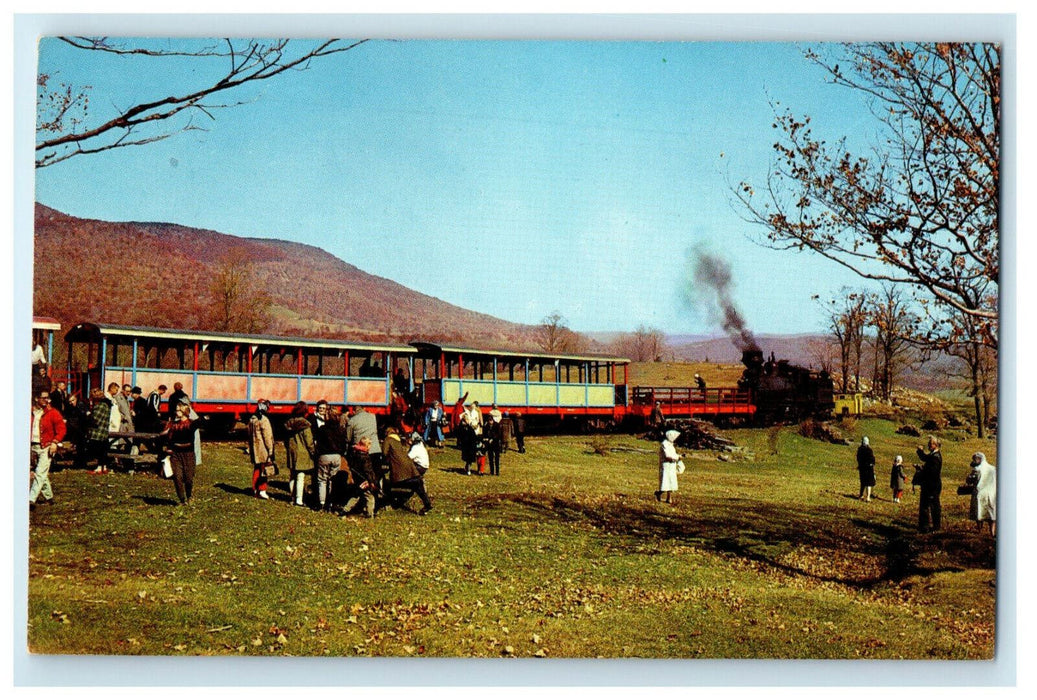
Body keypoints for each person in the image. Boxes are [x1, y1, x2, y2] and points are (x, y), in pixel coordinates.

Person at [160, 400, 204, 505]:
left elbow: (202, 421)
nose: (176, 412)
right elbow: (166, 436)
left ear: (184, 411)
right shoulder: (173, 424)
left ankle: (189, 496)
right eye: (176, 410)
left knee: (188, 478)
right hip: (176, 454)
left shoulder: (191, 424)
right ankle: (182, 500)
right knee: (177, 477)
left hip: (188, 454)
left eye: (178, 410)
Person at [382, 427, 433, 515]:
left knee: (389, 484)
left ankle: (390, 502)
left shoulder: (388, 439)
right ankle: (427, 503)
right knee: (417, 484)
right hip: (411, 467)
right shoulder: (398, 441)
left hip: (399, 469)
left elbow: (384, 453)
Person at [30, 390, 65, 509]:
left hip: (47, 446)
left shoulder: (53, 412)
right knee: (41, 473)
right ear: (36, 399)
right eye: (43, 398)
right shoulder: (30, 411)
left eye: (47, 398)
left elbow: (61, 429)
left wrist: (55, 442)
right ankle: (49, 497)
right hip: (32, 445)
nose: (46, 400)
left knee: (39, 473)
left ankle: (30, 499)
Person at [314, 403, 350, 511]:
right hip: (336, 456)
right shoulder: (341, 429)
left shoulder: (322, 429)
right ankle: (331, 502)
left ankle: (322, 503)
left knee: (322, 480)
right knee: (333, 480)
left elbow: (317, 443)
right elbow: (344, 444)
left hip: (324, 455)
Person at [283, 402, 316, 508]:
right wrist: (313, 452)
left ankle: (292, 497)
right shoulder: (306, 425)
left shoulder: (289, 423)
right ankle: (299, 500)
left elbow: (285, 440)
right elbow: (309, 442)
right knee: (300, 476)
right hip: (303, 453)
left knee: (292, 475)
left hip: (292, 452)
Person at [342, 436, 380, 518]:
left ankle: (345, 509)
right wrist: (372, 481)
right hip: (365, 481)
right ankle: (370, 514)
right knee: (370, 497)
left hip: (358, 479)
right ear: (367, 446)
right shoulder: (365, 457)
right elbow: (368, 471)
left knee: (356, 495)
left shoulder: (355, 454)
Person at [247, 400, 275, 499]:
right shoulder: (264, 420)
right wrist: (271, 449)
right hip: (263, 449)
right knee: (264, 470)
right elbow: (267, 437)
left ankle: (255, 488)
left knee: (257, 469)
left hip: (255, 449)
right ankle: (262, 489)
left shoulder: (252, 419)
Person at [915, 436, 943, 533]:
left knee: (930, 506)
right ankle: (928, 526)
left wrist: (922, 470)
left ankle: (929, 527)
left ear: (935, 445)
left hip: (932, 486)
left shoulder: (936, 458)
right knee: (928, 506)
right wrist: (920, 452)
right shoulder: (933, 455)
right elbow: (925, 458)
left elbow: (932, 473)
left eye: (930, 444)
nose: (928, 445)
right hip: (930, 485)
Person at [968, 452, 997, 536]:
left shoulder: (977, 469)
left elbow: (970, 480)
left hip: (979, 493)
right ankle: (992, 531)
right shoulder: (993, 469)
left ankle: (979, 531)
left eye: (974, 459)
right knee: (991, 513)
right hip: (991, 493)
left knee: (979, 512)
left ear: (979, 459)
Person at [85, 387, 113, 474]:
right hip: (104, 430)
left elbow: (95, 419)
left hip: (98, 432)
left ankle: (99, 467)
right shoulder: (107, 404)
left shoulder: (100, 405)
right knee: (103, 451)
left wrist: (88, 415)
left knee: (99, 451)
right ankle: (103, 467)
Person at [656, 429, 683, 504]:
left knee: (671, 481)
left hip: (671, 465)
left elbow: (673, 454)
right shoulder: (664, 444)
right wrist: (677, 457)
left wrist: (679, 456)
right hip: (666, 465)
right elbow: (667, 456)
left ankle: (669, 497)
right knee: (665, 481)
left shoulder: (671, 445)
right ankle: (659, 493)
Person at [63, 393, 90, 470]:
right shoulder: (70, 407)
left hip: (81, 429)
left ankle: (81, 463)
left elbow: (84, 416)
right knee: (79, 447)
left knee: (81, 447)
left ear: (76, 399)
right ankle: (79, 463)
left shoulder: (80, 405)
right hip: (76, 429)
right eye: (70, 401)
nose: (71, 402)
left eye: (73, 400)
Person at [484, 409, 503, 476]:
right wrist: (486, 439)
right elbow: (485, 434)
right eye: (489, 421)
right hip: (489, 445)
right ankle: (492, 471)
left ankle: (497, 472)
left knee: (497, 458)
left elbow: (498, 434)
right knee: (490, 458)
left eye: (491, 421)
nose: (490, 423)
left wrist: (492, 438)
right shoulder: (486, 426)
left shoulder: (497, 425)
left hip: (496, 444)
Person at [857, 436, 876, 502]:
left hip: (862, 468)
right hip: (869, 469)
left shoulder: (860, 449)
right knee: (869, 484)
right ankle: (868, 497)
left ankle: (861, 495)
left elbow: (858, 459)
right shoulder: (869, 450)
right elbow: (872, 459)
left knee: (863, 483)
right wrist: (872, 464)